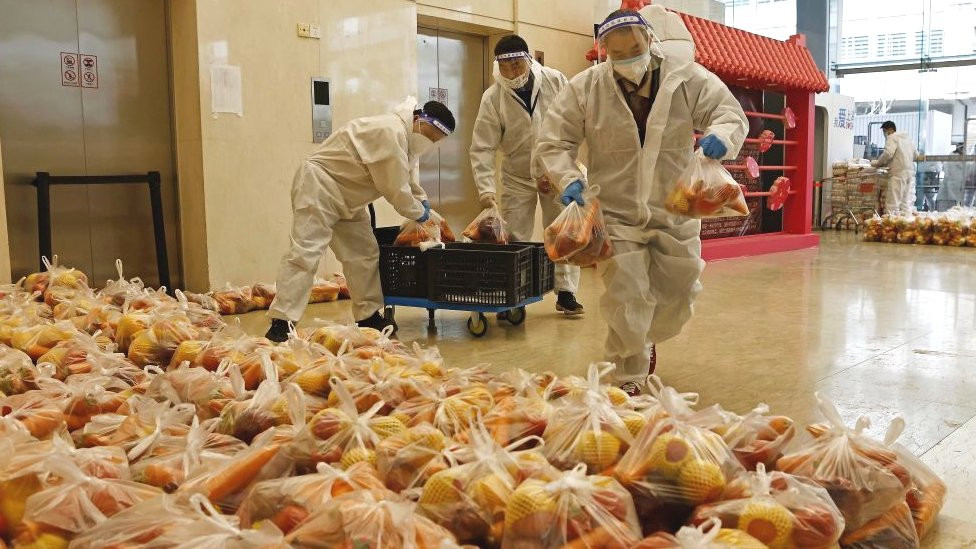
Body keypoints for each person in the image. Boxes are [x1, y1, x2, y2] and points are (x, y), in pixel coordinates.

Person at [534, 7, 747, 395]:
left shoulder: (687, 78)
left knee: (681, 289)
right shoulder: (586, 88)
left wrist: (723, 134)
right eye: (617, 54)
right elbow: (554, 141)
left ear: (650, 40)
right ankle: (629, 373)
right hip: (615, 211)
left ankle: (645, 338)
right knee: (626, 294)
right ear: (604, 52)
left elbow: (728, 111)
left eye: (635, 49)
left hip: (675, 208)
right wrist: (569, 178)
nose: (628, 60)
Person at [264, 100, 456, 342]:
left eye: (436, 140)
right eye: (430, 134)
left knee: (364, 254)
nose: (429, 142)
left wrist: (422, 200)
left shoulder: (405, 142)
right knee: (306, 253)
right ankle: (282, 322)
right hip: (320, 186)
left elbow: (406, 179)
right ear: (418, 119)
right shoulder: (391, 131)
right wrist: (419, 212)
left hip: (350, 198)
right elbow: (396, 189)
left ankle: (367, 316)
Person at [469, 35, 584, 315]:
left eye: (517, 65)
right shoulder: (493, 97)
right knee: (514, 234)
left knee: (562, 230)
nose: (512, 73)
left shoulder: (556, 81)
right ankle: (513, 290)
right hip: (517, 175)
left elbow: (573, 124)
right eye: (505, 67)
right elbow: (482, 146)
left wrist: (561, 167)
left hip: (554, 172)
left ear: (529, 60)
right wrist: (485, 189)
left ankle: (566, 292)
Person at [872, 121, 918, 214]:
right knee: (905, 204)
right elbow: (916, 155)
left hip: (898, 173)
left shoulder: (892, 137)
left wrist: (878, 163)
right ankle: (905, 221)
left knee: (892, 203)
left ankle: (890, 222)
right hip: (909, 173)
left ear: (890, 130)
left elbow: (888, 153)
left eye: (884, 131)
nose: (885, 134)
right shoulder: (907, 139)